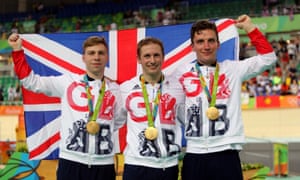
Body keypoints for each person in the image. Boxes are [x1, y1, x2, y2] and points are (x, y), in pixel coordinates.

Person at [8, 33, 123, 180]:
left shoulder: (115, 89)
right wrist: (18, 52)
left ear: (107, 58)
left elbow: (118, 119)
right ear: (84, 57)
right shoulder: (68, 82)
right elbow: (32, 82)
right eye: (91, 53)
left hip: (104, 164)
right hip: (71, 162)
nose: (96, 57)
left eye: (101, 53)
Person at [177, 14, 277, 179]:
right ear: (192, 46)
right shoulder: (180, 73)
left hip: (226, 153)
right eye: (200, 42)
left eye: (211, 41)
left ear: (218, 43)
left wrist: (250, 28)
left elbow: (268, 58)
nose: (206, 46)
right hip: (194, 154)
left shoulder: (233, 69)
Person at [120, 37, 185, 180]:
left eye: (156, 55)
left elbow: (186, 120)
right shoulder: (125, 89)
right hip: (135, 166)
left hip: (167, 166)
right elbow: (117, 120)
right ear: (138, 59)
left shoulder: (178, 88)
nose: (152, 60)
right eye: (147, 56)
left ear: (163, 57)